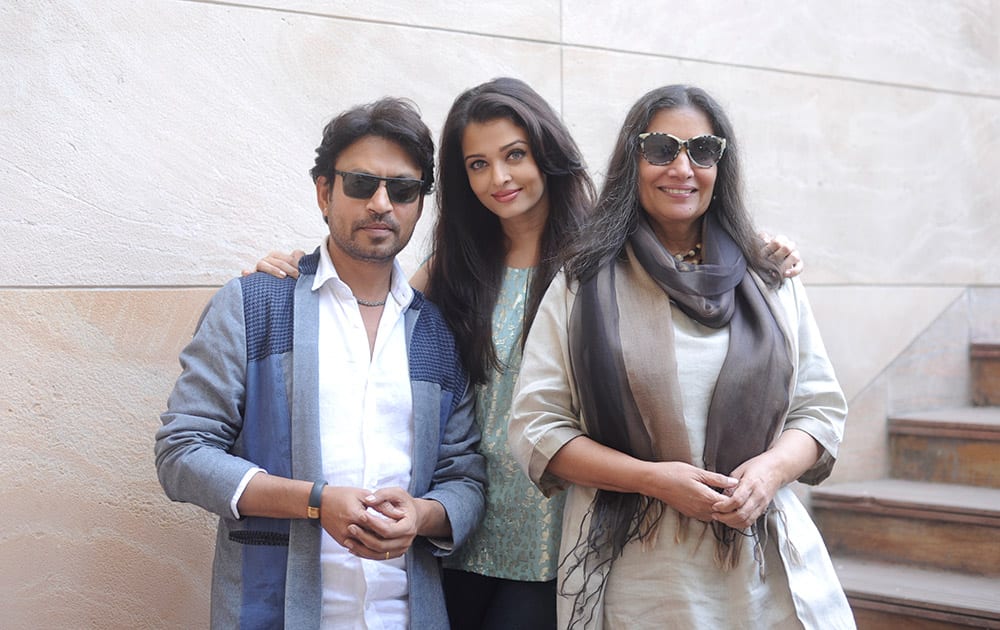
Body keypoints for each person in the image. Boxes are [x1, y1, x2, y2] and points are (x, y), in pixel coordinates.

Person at [251, 79, 806, 630]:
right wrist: (300, 269)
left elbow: (694, 255)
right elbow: (373, 299)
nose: (499, 178)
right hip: (458, 521)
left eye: (514, 155)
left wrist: (762, 251)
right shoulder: (456, 264)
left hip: (564, 523)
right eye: (477, 164)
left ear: (547, 153)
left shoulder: (600, 255)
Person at [508, 84, 854, 629]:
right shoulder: (583, 281)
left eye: (702, 150)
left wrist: (769, 471)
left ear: (721, 164)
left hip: (760, 564)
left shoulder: (768, 278)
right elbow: (537, 427)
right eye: (661, 149)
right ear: (632, 158)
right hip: (635, 571)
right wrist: (652, 479)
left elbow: (820, 409)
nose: (682, 167)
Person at [155, 97, 486, 629]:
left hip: (407, 616)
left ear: (420, 204)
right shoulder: (255, 305)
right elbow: (182, 453)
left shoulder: (437, 333)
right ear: (324, 192)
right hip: (276, 613)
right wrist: (315, 502)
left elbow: (464, 476)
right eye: (361, 184)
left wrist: (422, 516)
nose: (382, 203)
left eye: (402, 189)